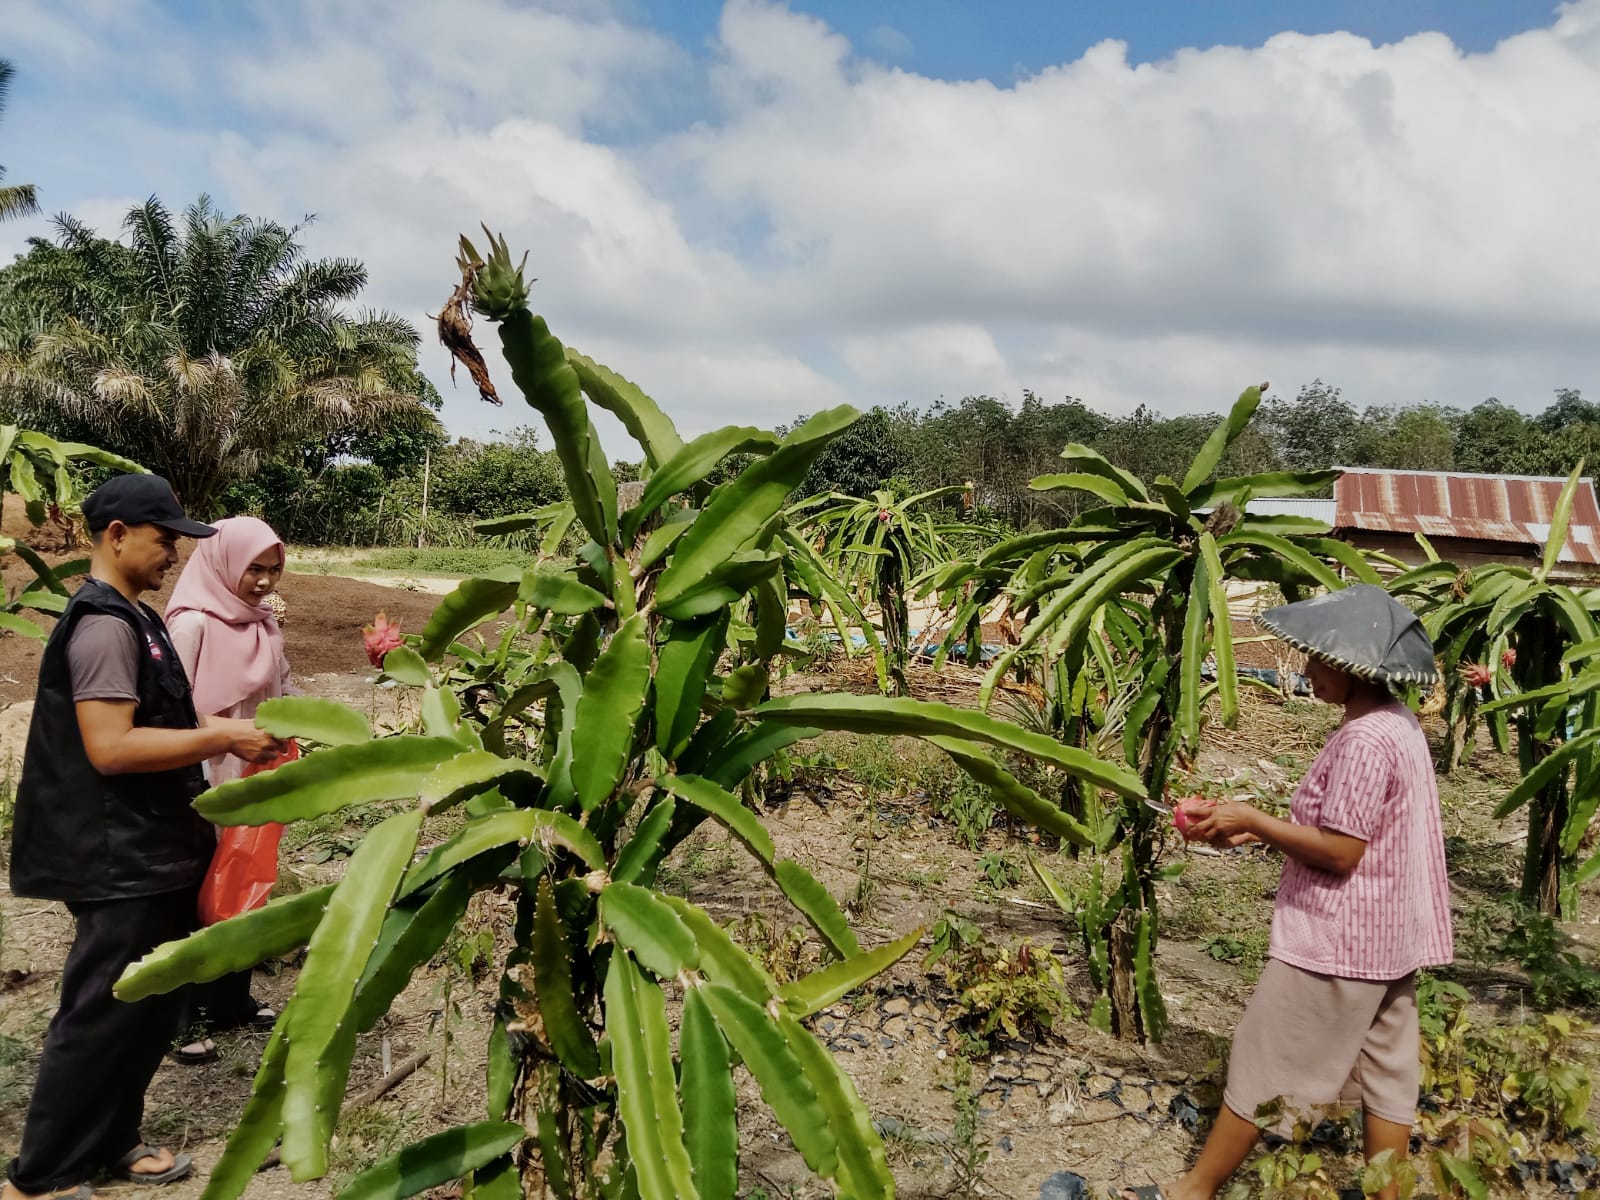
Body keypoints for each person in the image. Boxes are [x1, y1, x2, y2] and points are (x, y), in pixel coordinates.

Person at [1117, 585, 1453, 1200]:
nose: (1307, 671)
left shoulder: (1363, 741)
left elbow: (1343, 851)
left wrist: (1252, 814)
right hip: (1391, 938)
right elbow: (1355, 836)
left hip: (1340, 938)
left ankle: (1194, 1190)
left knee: (1263, 1059)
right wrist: (1254, 832)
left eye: (1319, 661)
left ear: (1354, 666)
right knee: (1387, 1076)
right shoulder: (1397, 724)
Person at [4, 475, 284, 1200]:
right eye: (164, 539)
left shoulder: (142, 616)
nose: (172, 555)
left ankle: (114, 1139)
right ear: (117, 533)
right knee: (101, 1009)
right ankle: (44, 1173)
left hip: (152, 846)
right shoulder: (102, 623)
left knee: (147, 1003)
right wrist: (218, 734)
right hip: (113, 854)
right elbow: (110, 747)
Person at [164, 516, 294, 1062]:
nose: (264, 582)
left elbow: (284, 687)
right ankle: (179, 1015)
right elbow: (167, 712)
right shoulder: (191, 625)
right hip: (201, 771)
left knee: (243, 882)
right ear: (222, 565)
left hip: (252, 772)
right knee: (192, 889)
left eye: (273, 570)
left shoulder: (264, 625)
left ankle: (230, 1001)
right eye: (253, 569)